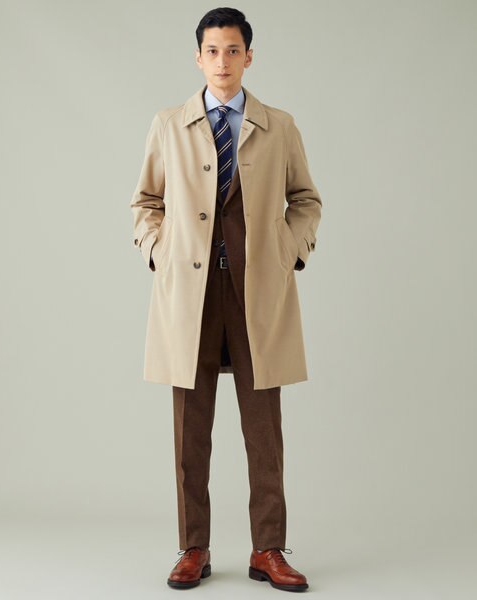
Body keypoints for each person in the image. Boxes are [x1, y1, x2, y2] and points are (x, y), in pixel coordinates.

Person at [130, 6, 322, 593]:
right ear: (198, 57)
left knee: (264, 429)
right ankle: (193, 547)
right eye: (212, 51)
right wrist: (160, 252)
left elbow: (306, 200)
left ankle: (268, 549)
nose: (222, 61)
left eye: (232, 50)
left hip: (257, 292)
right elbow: (145, 203)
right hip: (190, 295)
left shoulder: (278, 126)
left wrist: (288, 251)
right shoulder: (169, 124)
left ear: (249, 57)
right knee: (190, 429)